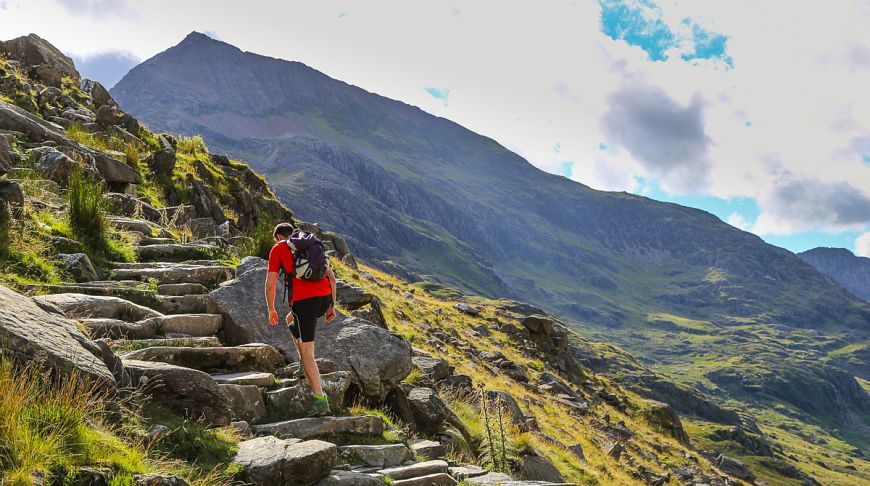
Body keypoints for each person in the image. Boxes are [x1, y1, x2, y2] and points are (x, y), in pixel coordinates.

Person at [264, 222, 337, 416]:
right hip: (324, 298)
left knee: (308, 353)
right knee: (290, 318)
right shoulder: (310, 245)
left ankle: (320, 400)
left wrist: (271, 308)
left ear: (279, 237)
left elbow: (270, 284)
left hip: (305, 303)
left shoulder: (278, 248)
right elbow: (332, 278)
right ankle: (301, 366)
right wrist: (331, 305)